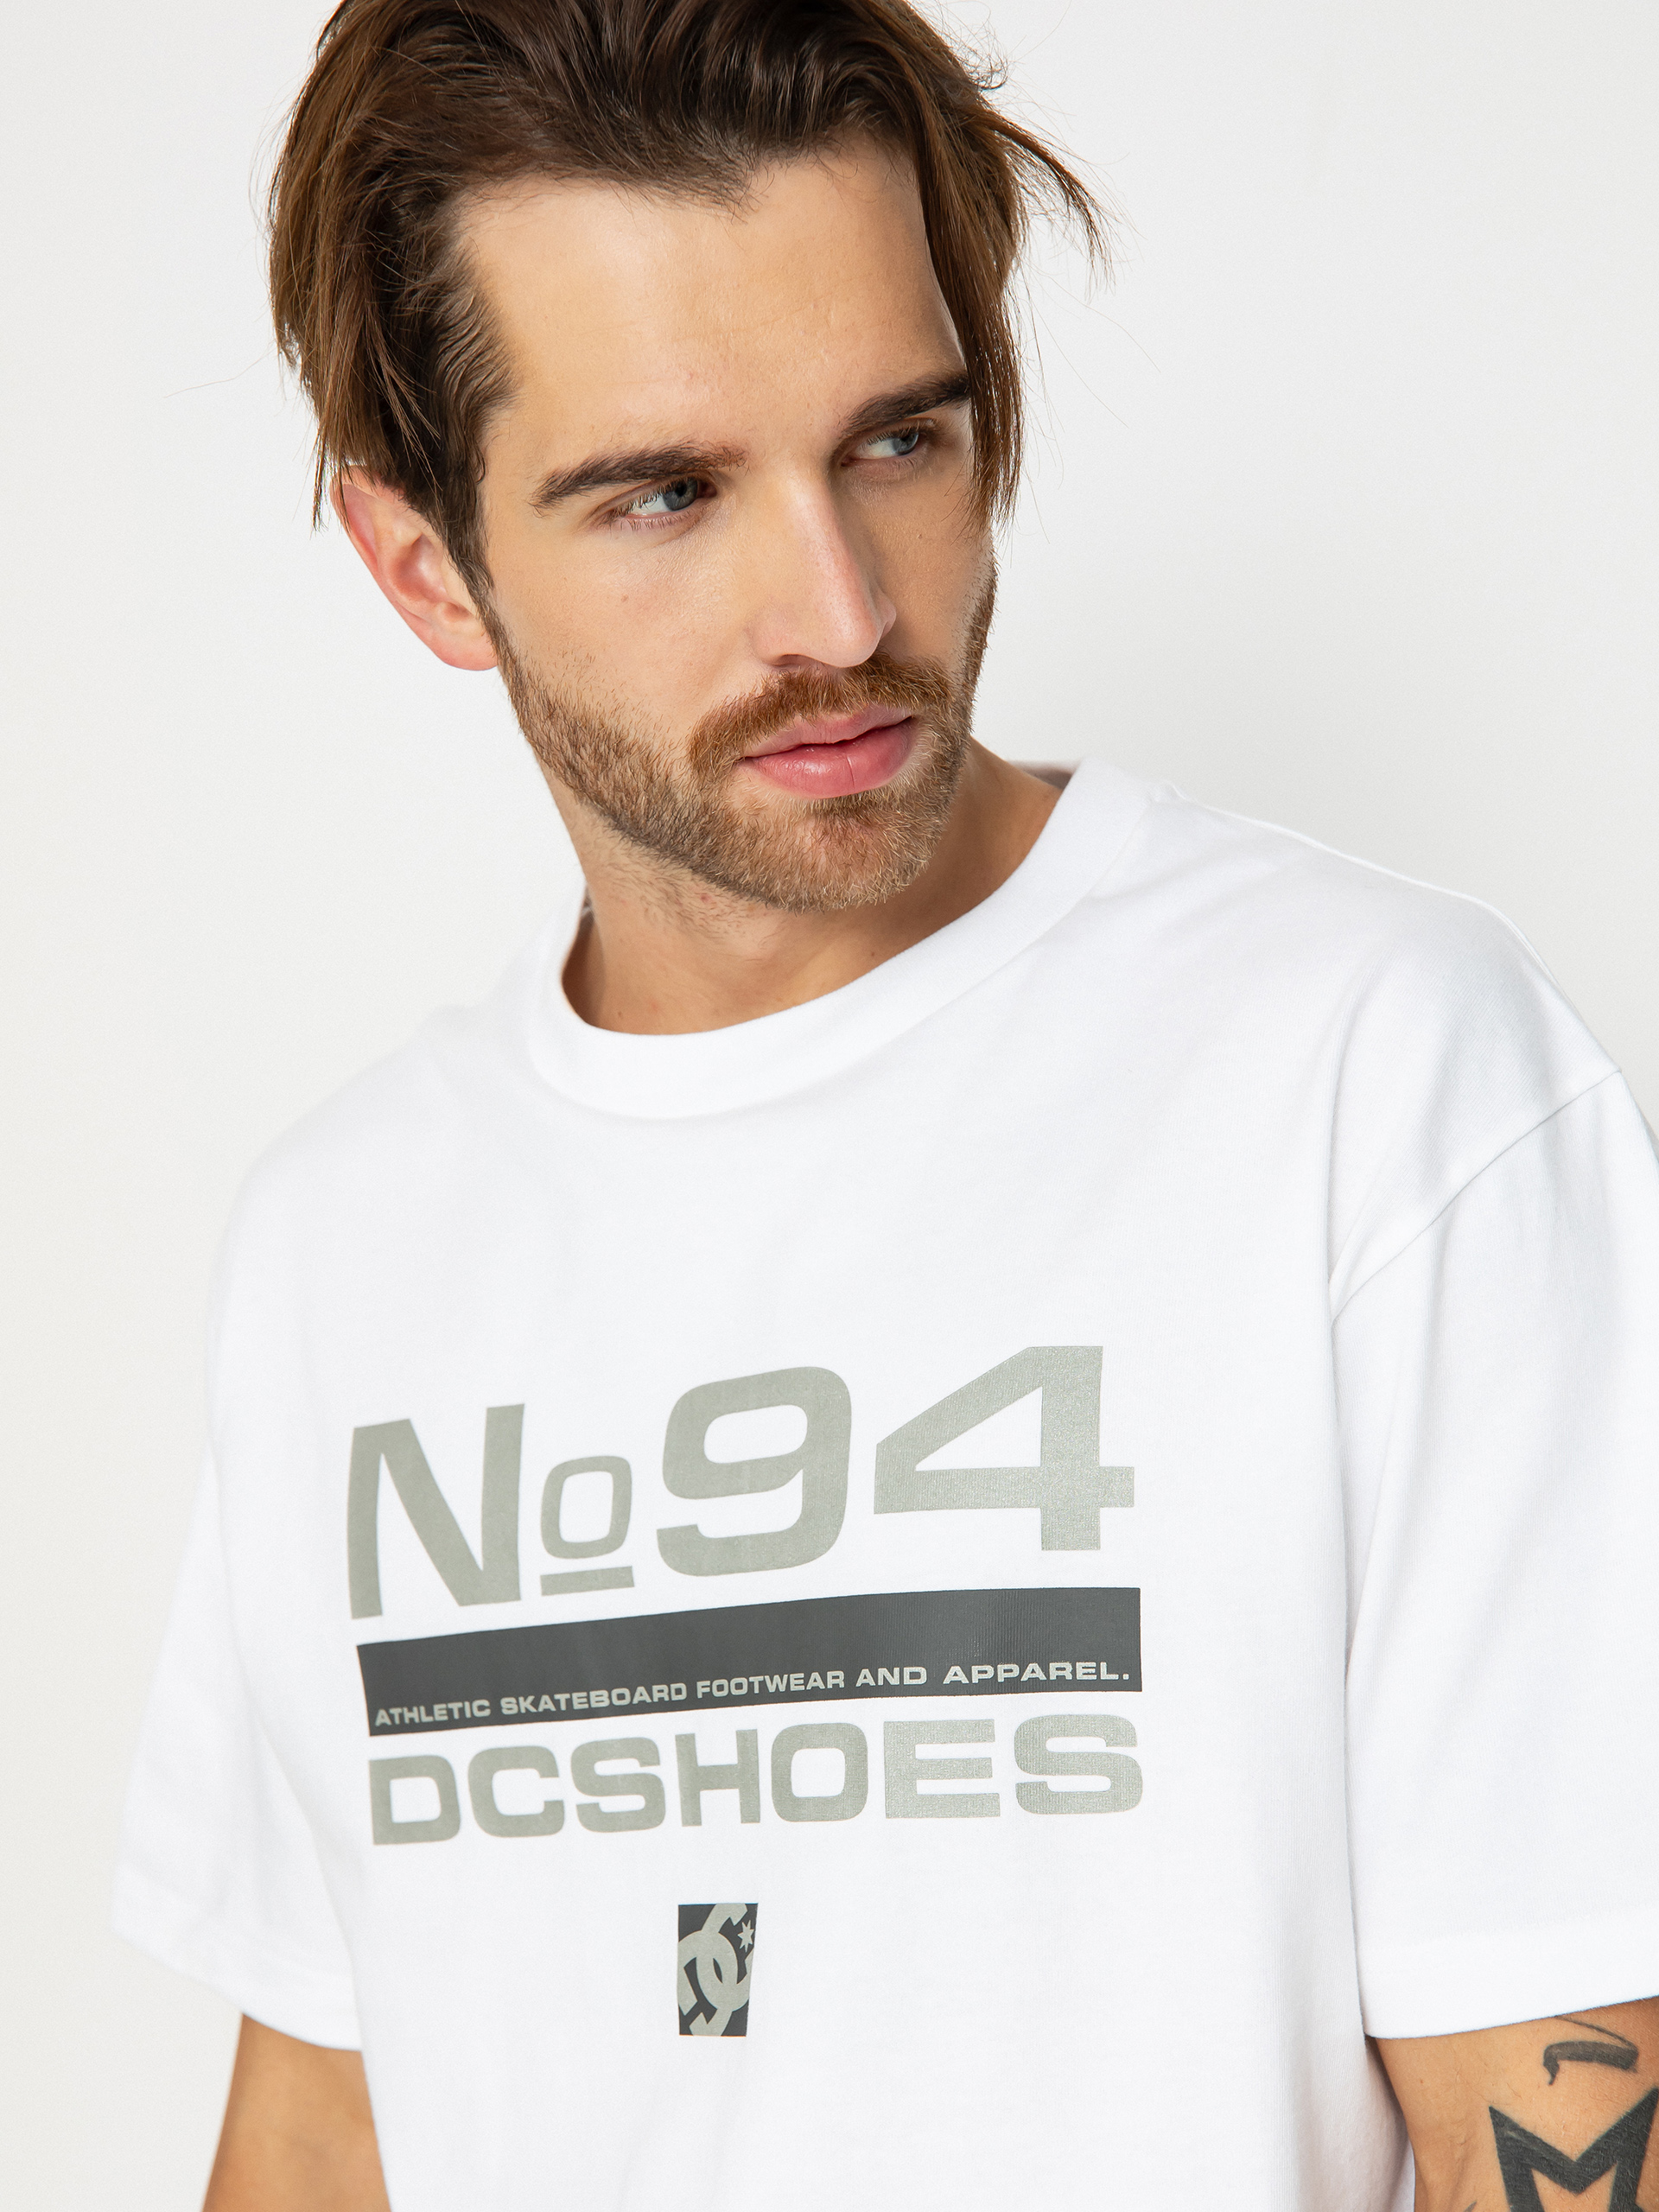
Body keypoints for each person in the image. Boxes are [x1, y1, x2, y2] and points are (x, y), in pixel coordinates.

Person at [115, 2, 1659, 2207]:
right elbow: (329, 2116)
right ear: (427, 562)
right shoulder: (343, 1238)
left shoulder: (1377, 1074)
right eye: (667, 493)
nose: (838, 612)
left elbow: (1560, 2093)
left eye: (899, 443)